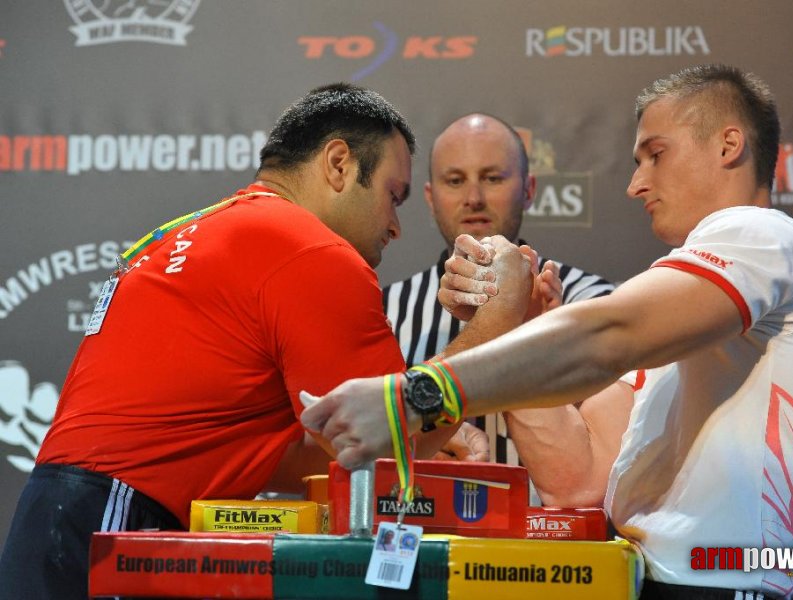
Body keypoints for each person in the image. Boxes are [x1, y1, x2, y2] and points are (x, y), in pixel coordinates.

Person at [302, 65, 793, 599]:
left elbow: (605, 335)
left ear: (728, 145)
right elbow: (581, 480)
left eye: (654, 156)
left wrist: (415, 395)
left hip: (730, 586)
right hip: (655, 582)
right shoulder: (689, 311)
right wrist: (513, 322)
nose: (636, 184)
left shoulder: (759, 234)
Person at [0, 83, 488, 599]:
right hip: (116, 524)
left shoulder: (196, 229)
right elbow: (390, 446)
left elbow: (292, 452)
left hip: (67, 519)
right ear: (339, 163)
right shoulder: (311, 250)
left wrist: (427, 426)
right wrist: (498, 323)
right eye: (393, 196)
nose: (395, 227)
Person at [383, 113, 614, 464]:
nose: (474, 198)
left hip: (549, 516)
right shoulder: (387, 309)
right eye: (455, 180)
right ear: (430, 198)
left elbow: (610, 438)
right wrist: (424, 439)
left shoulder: (592, 300)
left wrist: (541, 335)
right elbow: (372, 440)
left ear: (529, 189)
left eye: (492, 178)